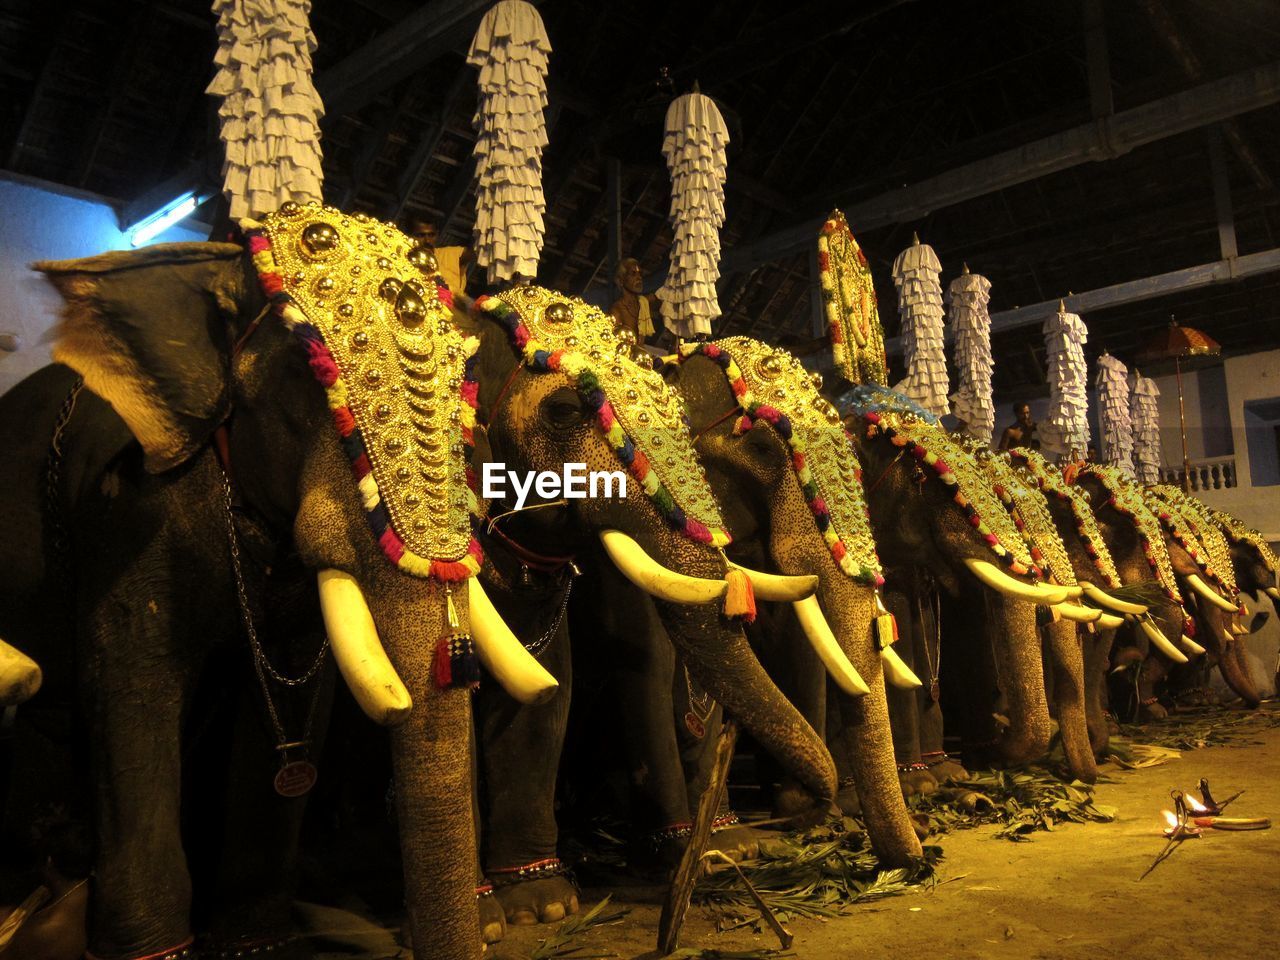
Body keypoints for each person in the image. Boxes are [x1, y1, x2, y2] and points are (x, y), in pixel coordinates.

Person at [402, 217, 473, 295]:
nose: (427, 240)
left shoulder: (451, 254)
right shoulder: (402, 260)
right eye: (421, 235)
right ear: (409, 236)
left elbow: (478, 252)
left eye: (431, 235)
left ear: (437, 234)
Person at [609, 257, 662, 345]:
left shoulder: (642, 303)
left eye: (640, 274)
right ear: (621, 280)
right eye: (633, 274)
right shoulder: (617, 310)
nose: (639, 278)